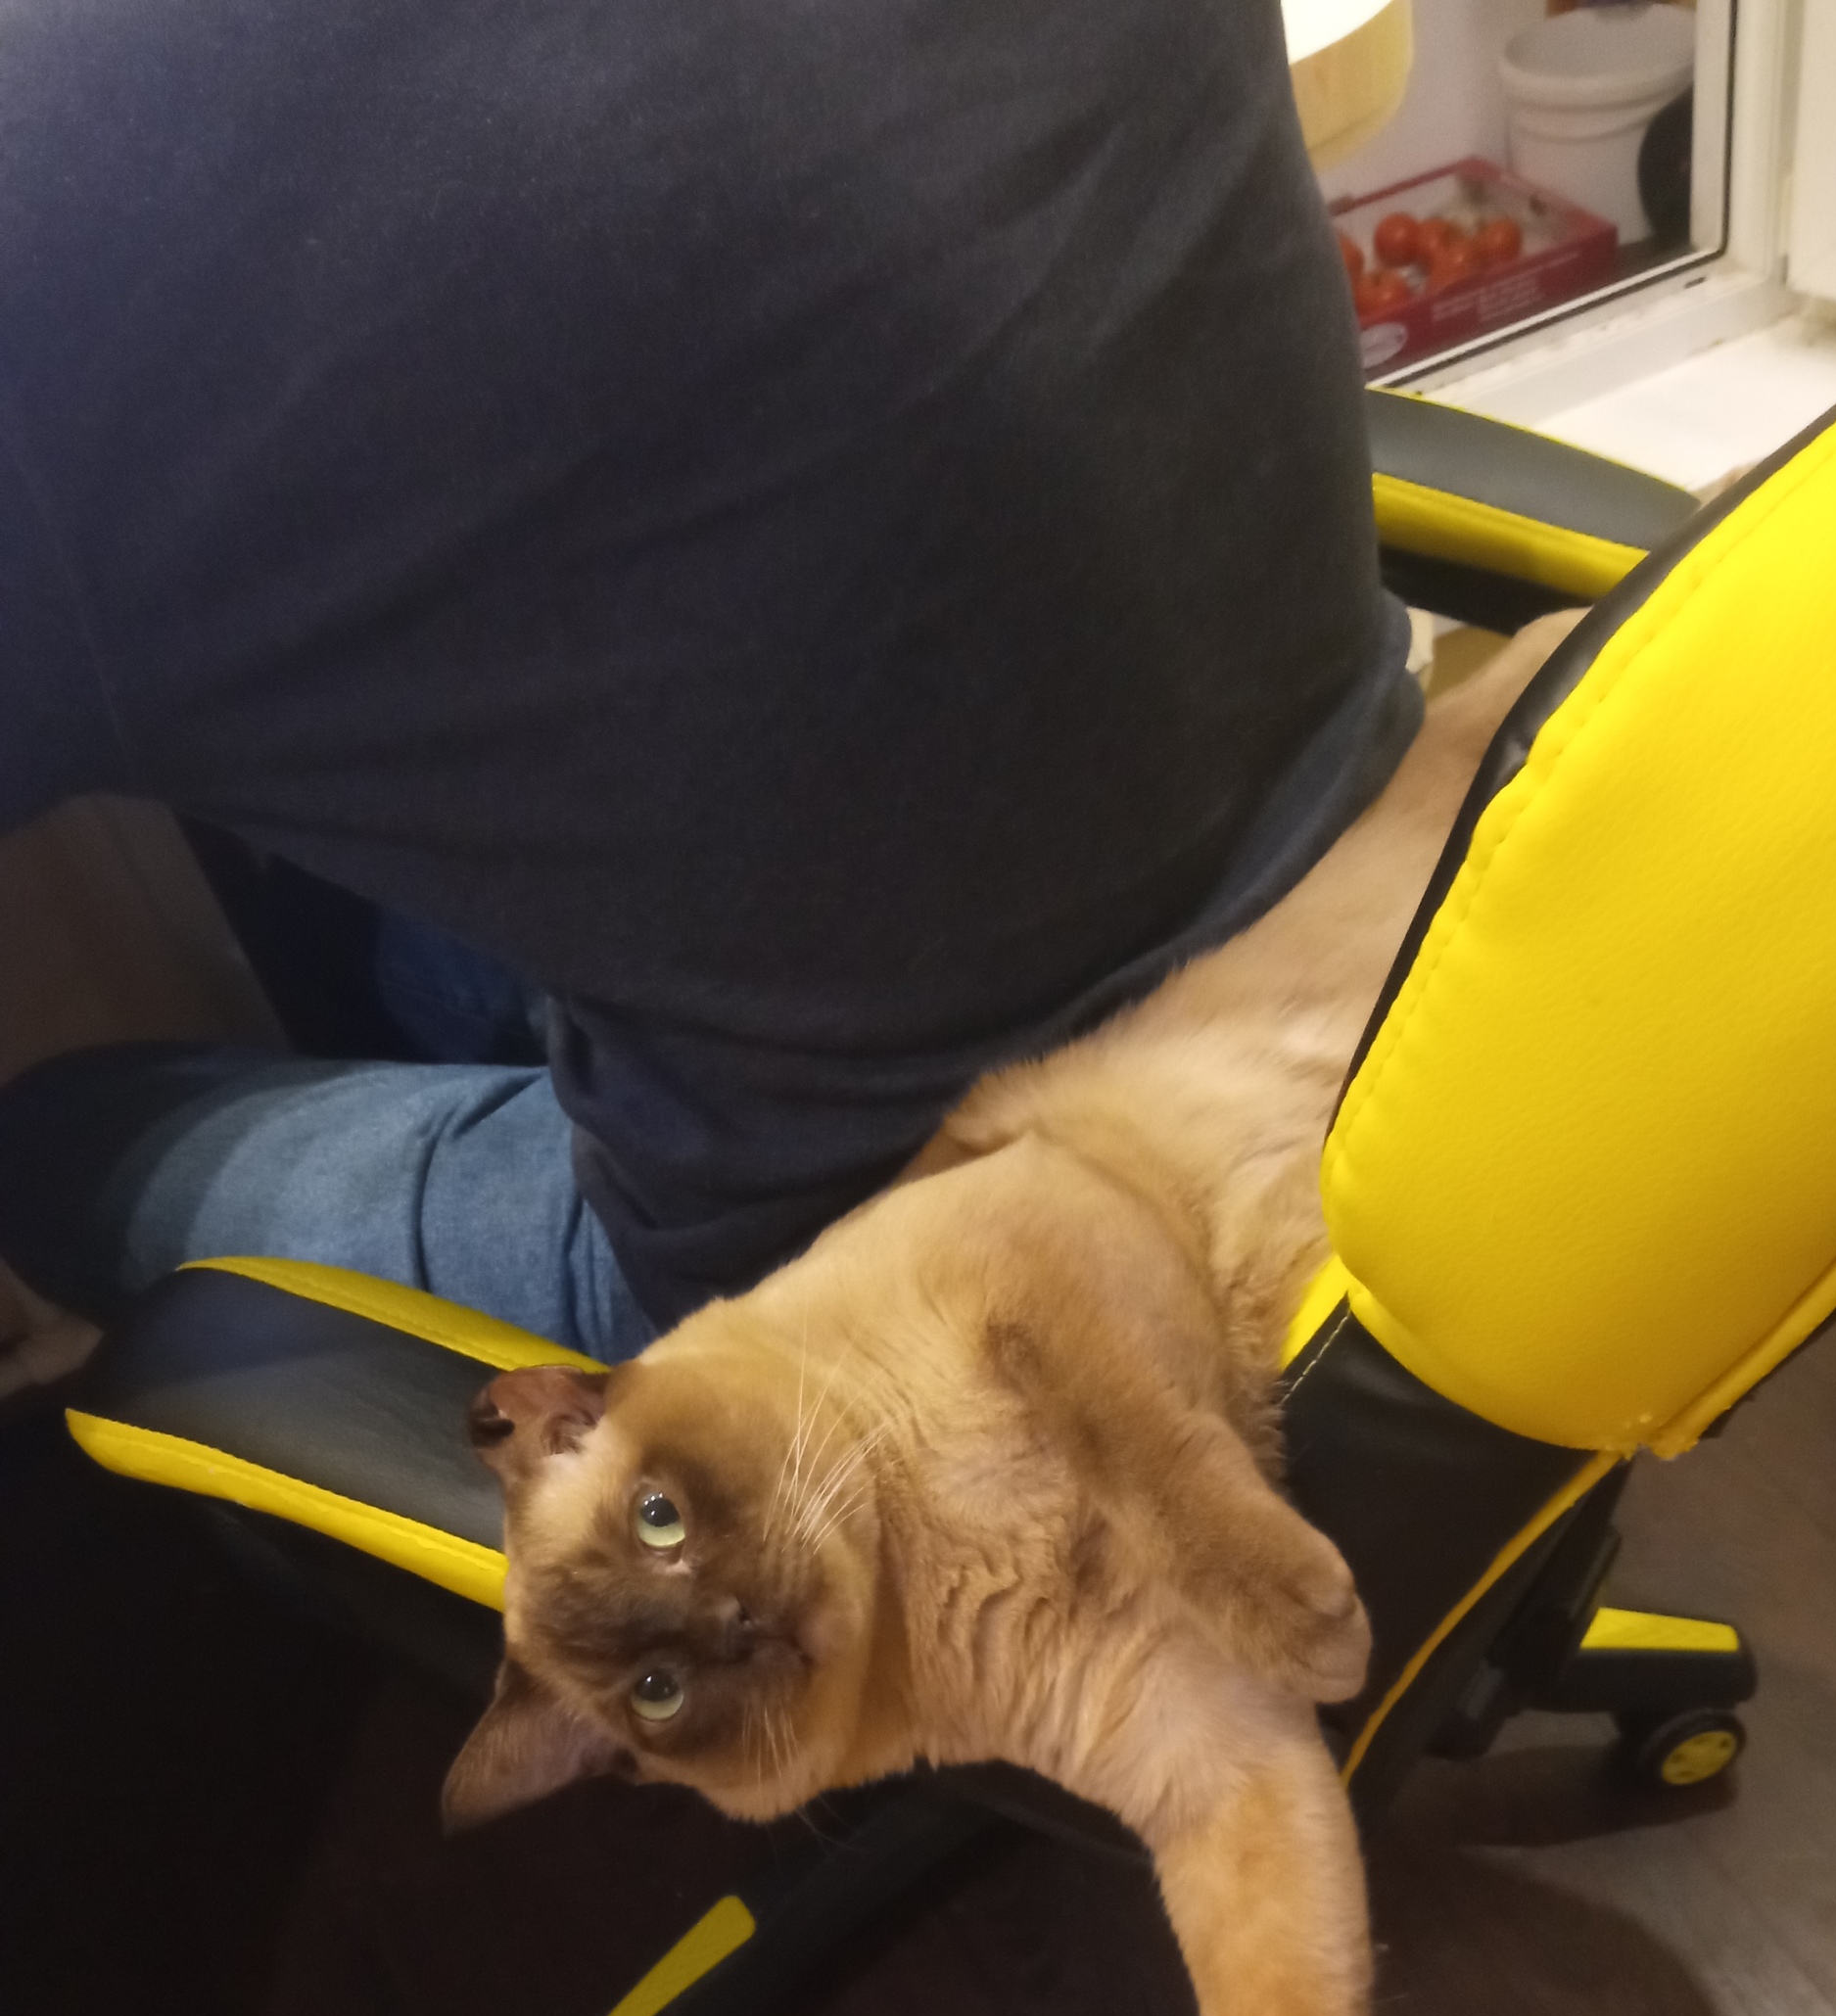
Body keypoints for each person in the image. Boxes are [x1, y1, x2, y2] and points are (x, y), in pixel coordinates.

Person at [0, 0, 1417, 1370]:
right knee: (392, 941)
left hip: (895, 1257)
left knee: (59, 1145)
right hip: (1378, 914)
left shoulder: (63, 129)